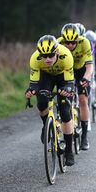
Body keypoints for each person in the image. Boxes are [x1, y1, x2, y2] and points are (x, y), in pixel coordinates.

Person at [25, 35, 75, 166]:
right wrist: (30, 91)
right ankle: (46, 125)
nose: (47, 59)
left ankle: (69, 151)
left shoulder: (66, 55)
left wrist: (68, 88)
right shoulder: (35, 59)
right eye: (44, 56)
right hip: (46, 76)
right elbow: (34, 83)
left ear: (57, 52)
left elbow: (70, 81)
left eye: (51, 55)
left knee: (65, 111)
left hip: (63, 77)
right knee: (41, 104)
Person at [58, 23, 94, 150]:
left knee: (83, 99)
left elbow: (90, 66)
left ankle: (84, 137)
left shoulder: (85, 42)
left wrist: (87, 77)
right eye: (67, 42)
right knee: (63, 100)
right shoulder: (58, 43)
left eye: (73, 42)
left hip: (81, 70)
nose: (70, 45)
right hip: (66, 71)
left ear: (78, 39)